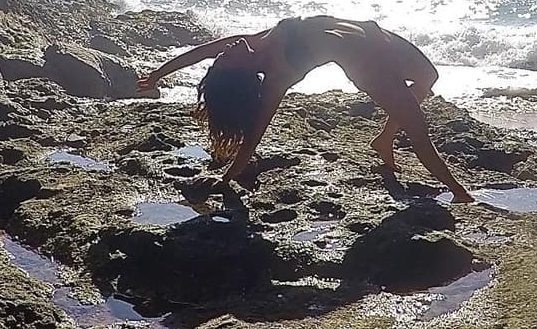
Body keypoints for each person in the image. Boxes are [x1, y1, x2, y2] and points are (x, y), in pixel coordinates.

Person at [136, 16, 475, 203]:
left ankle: (384, 139)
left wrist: (157, 75)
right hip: (369, 64)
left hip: (374, 34)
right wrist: (226, 178)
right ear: (238, 73)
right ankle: (460, 193)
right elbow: (254, 136)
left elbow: (198, 52)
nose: (225, 50)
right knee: (419, 133)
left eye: (221, 56)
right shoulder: (278, 76)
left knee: (428, 77)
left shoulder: (248, 43)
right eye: (224, 58)